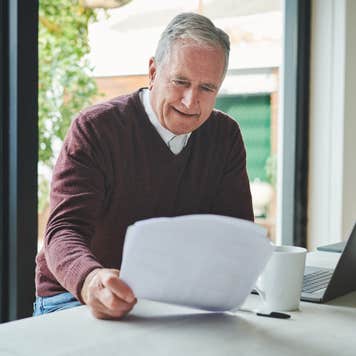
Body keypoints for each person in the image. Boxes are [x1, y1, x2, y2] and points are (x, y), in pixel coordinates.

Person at [34, 12, 253, 320]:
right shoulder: (96, 128)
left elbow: (237, 234)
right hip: (75, 294)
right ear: (153, 71)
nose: (191, 101)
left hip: (173, 299)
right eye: (180, 82)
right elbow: (62, 231)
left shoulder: (224, 136)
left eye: (207, 88)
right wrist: (90, 280)